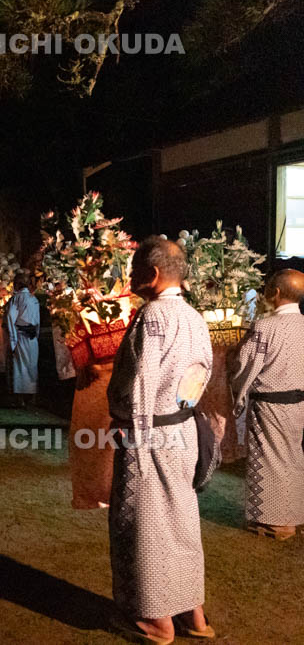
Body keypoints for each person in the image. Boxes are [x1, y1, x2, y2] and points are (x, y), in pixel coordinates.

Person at [106, 236, 214, 643]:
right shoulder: (194, 317)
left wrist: (132, 432)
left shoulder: (153, 316)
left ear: (151, 274)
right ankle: (193, 613)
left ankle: (156, 620)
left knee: (143, 523)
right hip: (183, 428)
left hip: (148, 433)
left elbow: (143, 381)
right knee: (181, 520)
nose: (130, 277)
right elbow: (201, 374)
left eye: (134, 269)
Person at [228, 269, 304, 541]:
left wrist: (232, 369)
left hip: (270, 404)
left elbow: (245, 366)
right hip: (298, 403)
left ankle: (277, 522)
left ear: (276, 292)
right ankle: (295, 513)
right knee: (293, 458)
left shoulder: (265, 327)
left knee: (269, 460)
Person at [4, 271, 40, 407]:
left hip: (20, 336)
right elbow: (37, 321)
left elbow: (10, 319)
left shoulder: (17, 298)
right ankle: (32, 397)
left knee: (20, 367)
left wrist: (13, 341)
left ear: (18, 284)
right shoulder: (34, 299)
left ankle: (21, 399)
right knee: (32, 367)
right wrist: (36, 335)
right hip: (32, 338)